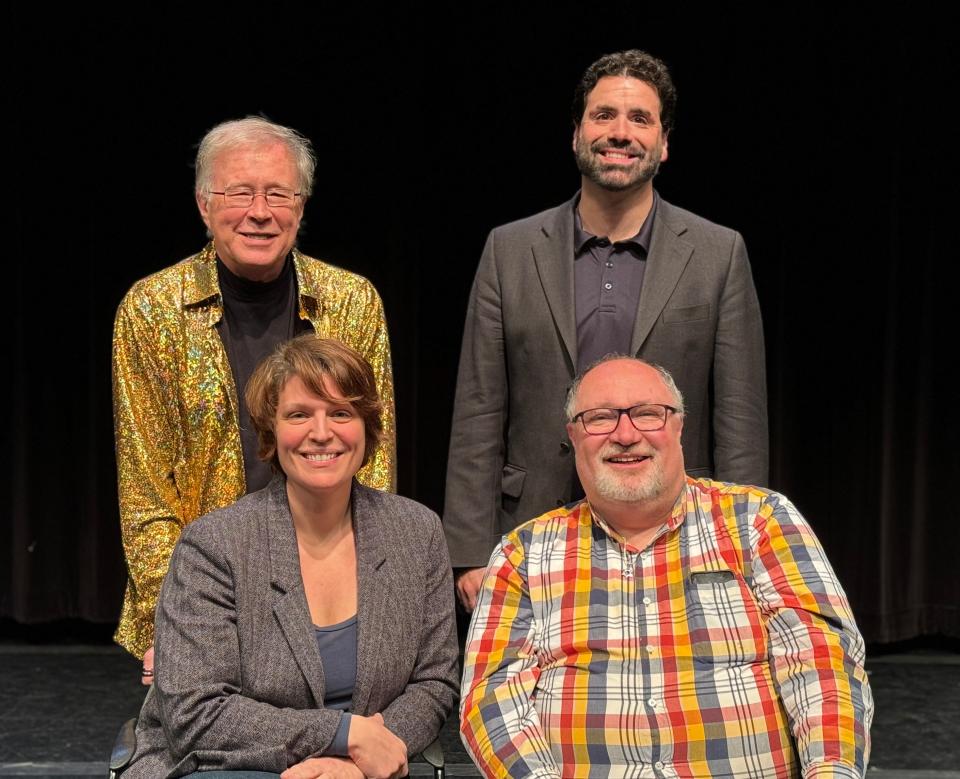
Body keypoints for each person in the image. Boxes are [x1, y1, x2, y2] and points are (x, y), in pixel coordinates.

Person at [445, 49, 767, 611]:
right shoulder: (509, 250)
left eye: (640, 119)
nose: (620, 133)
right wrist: (471, 550)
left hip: (678, 530)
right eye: (603, 116)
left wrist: (742, 539)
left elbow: (739, 416)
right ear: (576, 134)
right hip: (535, 526)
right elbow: (479, 408)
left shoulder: (719, 253)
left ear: (664, 143)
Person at [460, 355, 872, 777]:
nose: (625, 434)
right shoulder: (524, 552)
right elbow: (492, 698)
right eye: (600, 418)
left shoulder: (759, 520)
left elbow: (823, 664)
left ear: (678, 426)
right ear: (574, 435)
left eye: (647, 414)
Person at [112, 117, 396, 673]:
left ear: (302, 204)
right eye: (239, 192)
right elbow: (146, 494)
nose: (259, 212)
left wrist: (369, 603)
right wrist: (177, 620)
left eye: (279, 194)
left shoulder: (352, 301)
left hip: (330, 588)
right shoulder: (151, 309)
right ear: (203, 204)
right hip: (207, 590)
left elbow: (374, 464)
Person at [123, 336, 458, 779]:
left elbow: (434, 683)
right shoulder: (213, 544)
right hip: (223, 767)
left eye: (341, 413)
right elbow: (195, 714)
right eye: (299, 415)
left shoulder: (417, 532)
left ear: (367, 427)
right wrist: (342, 736)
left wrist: (356, 764)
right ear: (272, 430)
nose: (321, 433)